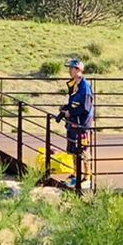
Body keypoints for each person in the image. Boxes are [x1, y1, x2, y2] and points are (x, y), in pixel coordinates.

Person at [54, 57, 94, 191]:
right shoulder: (74, 85)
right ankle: (76, 174)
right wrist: (65, 109)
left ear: (78, 70)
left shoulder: (85, 87)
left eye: (71, 68)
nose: (69, 71)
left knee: (83, 151)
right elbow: (73, 103)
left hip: (81, 125)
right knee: (72, 150)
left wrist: (71, 113)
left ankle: (87, 177)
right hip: (72, 124)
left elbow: (85, 107)